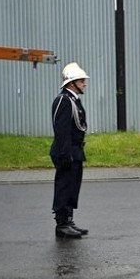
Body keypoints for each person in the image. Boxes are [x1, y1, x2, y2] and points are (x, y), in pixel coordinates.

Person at [50, 62, 90, 238]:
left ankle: (69, 220)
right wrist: (65, 154)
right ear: (71, 83)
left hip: (75, 150)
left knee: (73, 187)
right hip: (66, 151)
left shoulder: (73, 100)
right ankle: (62, 224)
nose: (85, 84)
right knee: (64, 186)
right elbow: (62, 130)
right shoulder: (63, 100)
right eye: (81, 81)